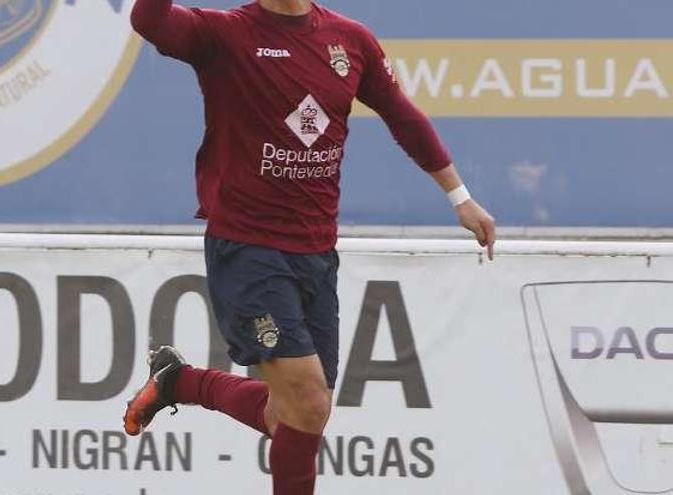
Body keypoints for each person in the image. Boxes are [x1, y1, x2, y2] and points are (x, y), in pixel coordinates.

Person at [123, 1, 496, 493]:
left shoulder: (350, 40)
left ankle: (179, 381)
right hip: (248, 248)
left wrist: (460, 197)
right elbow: (150, 21)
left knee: (295, 416)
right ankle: (181, 382)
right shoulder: (226, 34)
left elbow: (401, 115)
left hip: (316, 254)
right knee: (307, 403)